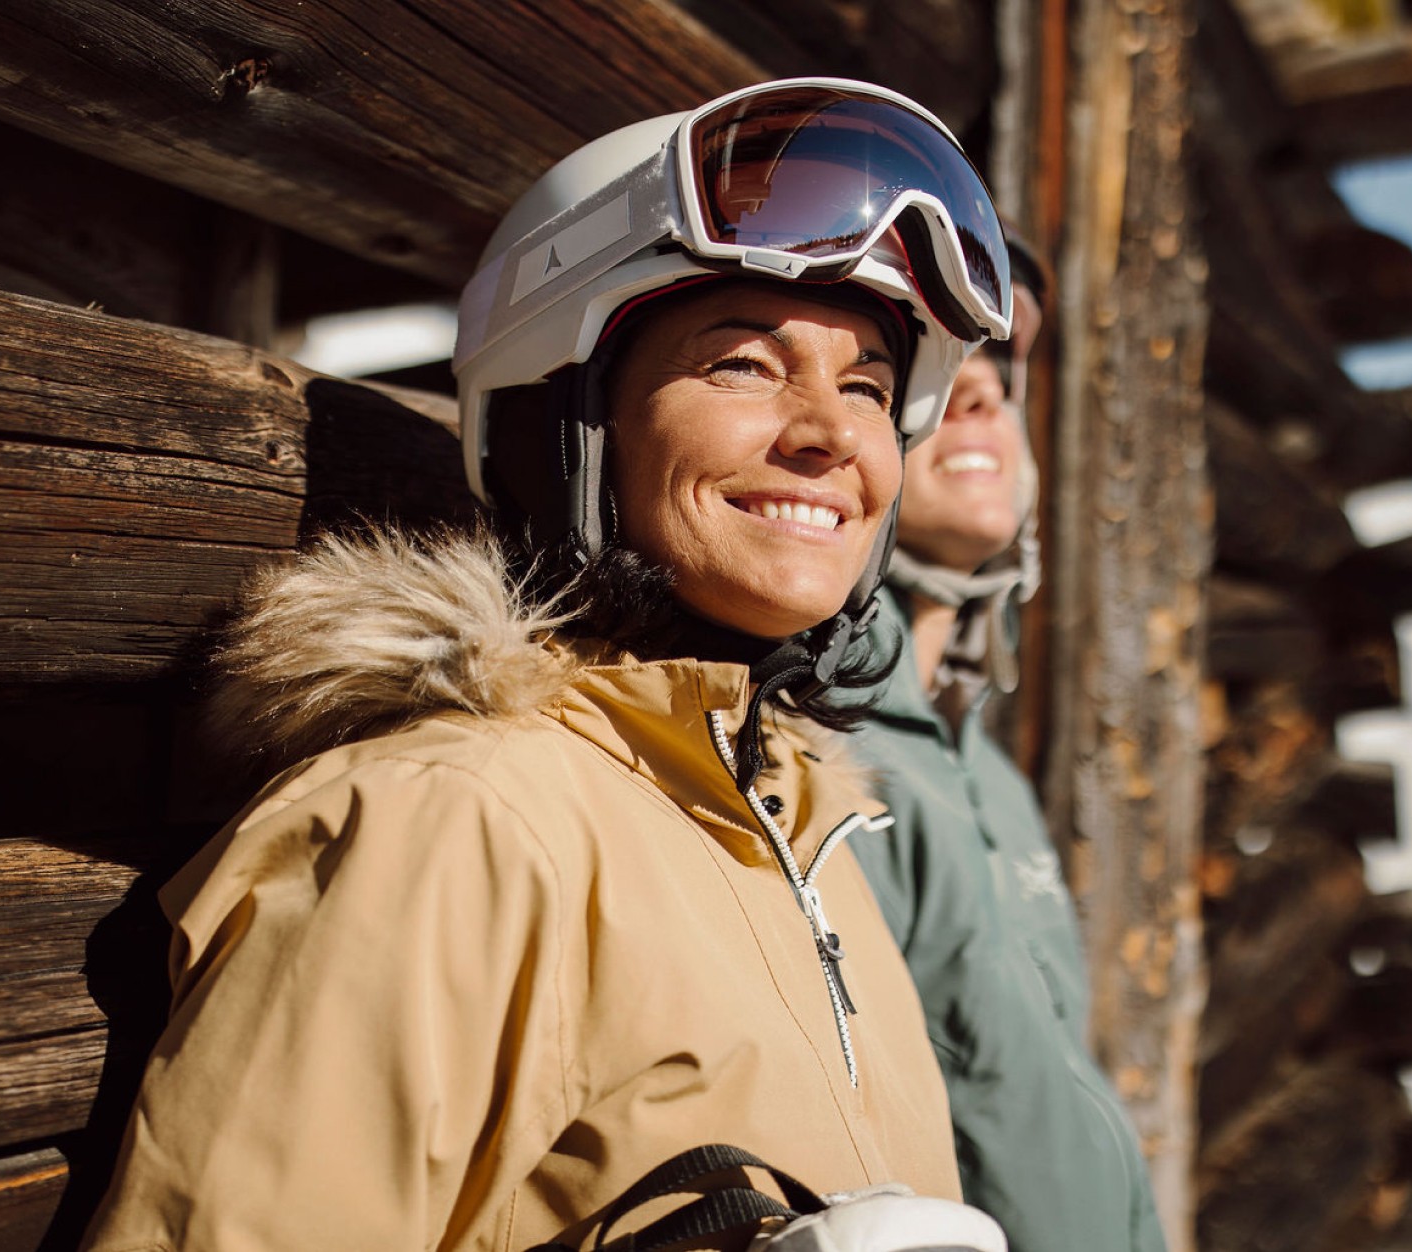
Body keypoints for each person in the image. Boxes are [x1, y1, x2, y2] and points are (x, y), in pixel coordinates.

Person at [81, 79, 1023, 1251]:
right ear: (559, 419)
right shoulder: (443, 823)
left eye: (870, 387)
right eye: (742, 362)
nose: (830, 432)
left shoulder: (805, 821)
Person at [847, 242, 1167, 1252]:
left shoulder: (980, 764)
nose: (983, 399)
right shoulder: (815, 750)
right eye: (938, 377)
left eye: (997, 383)